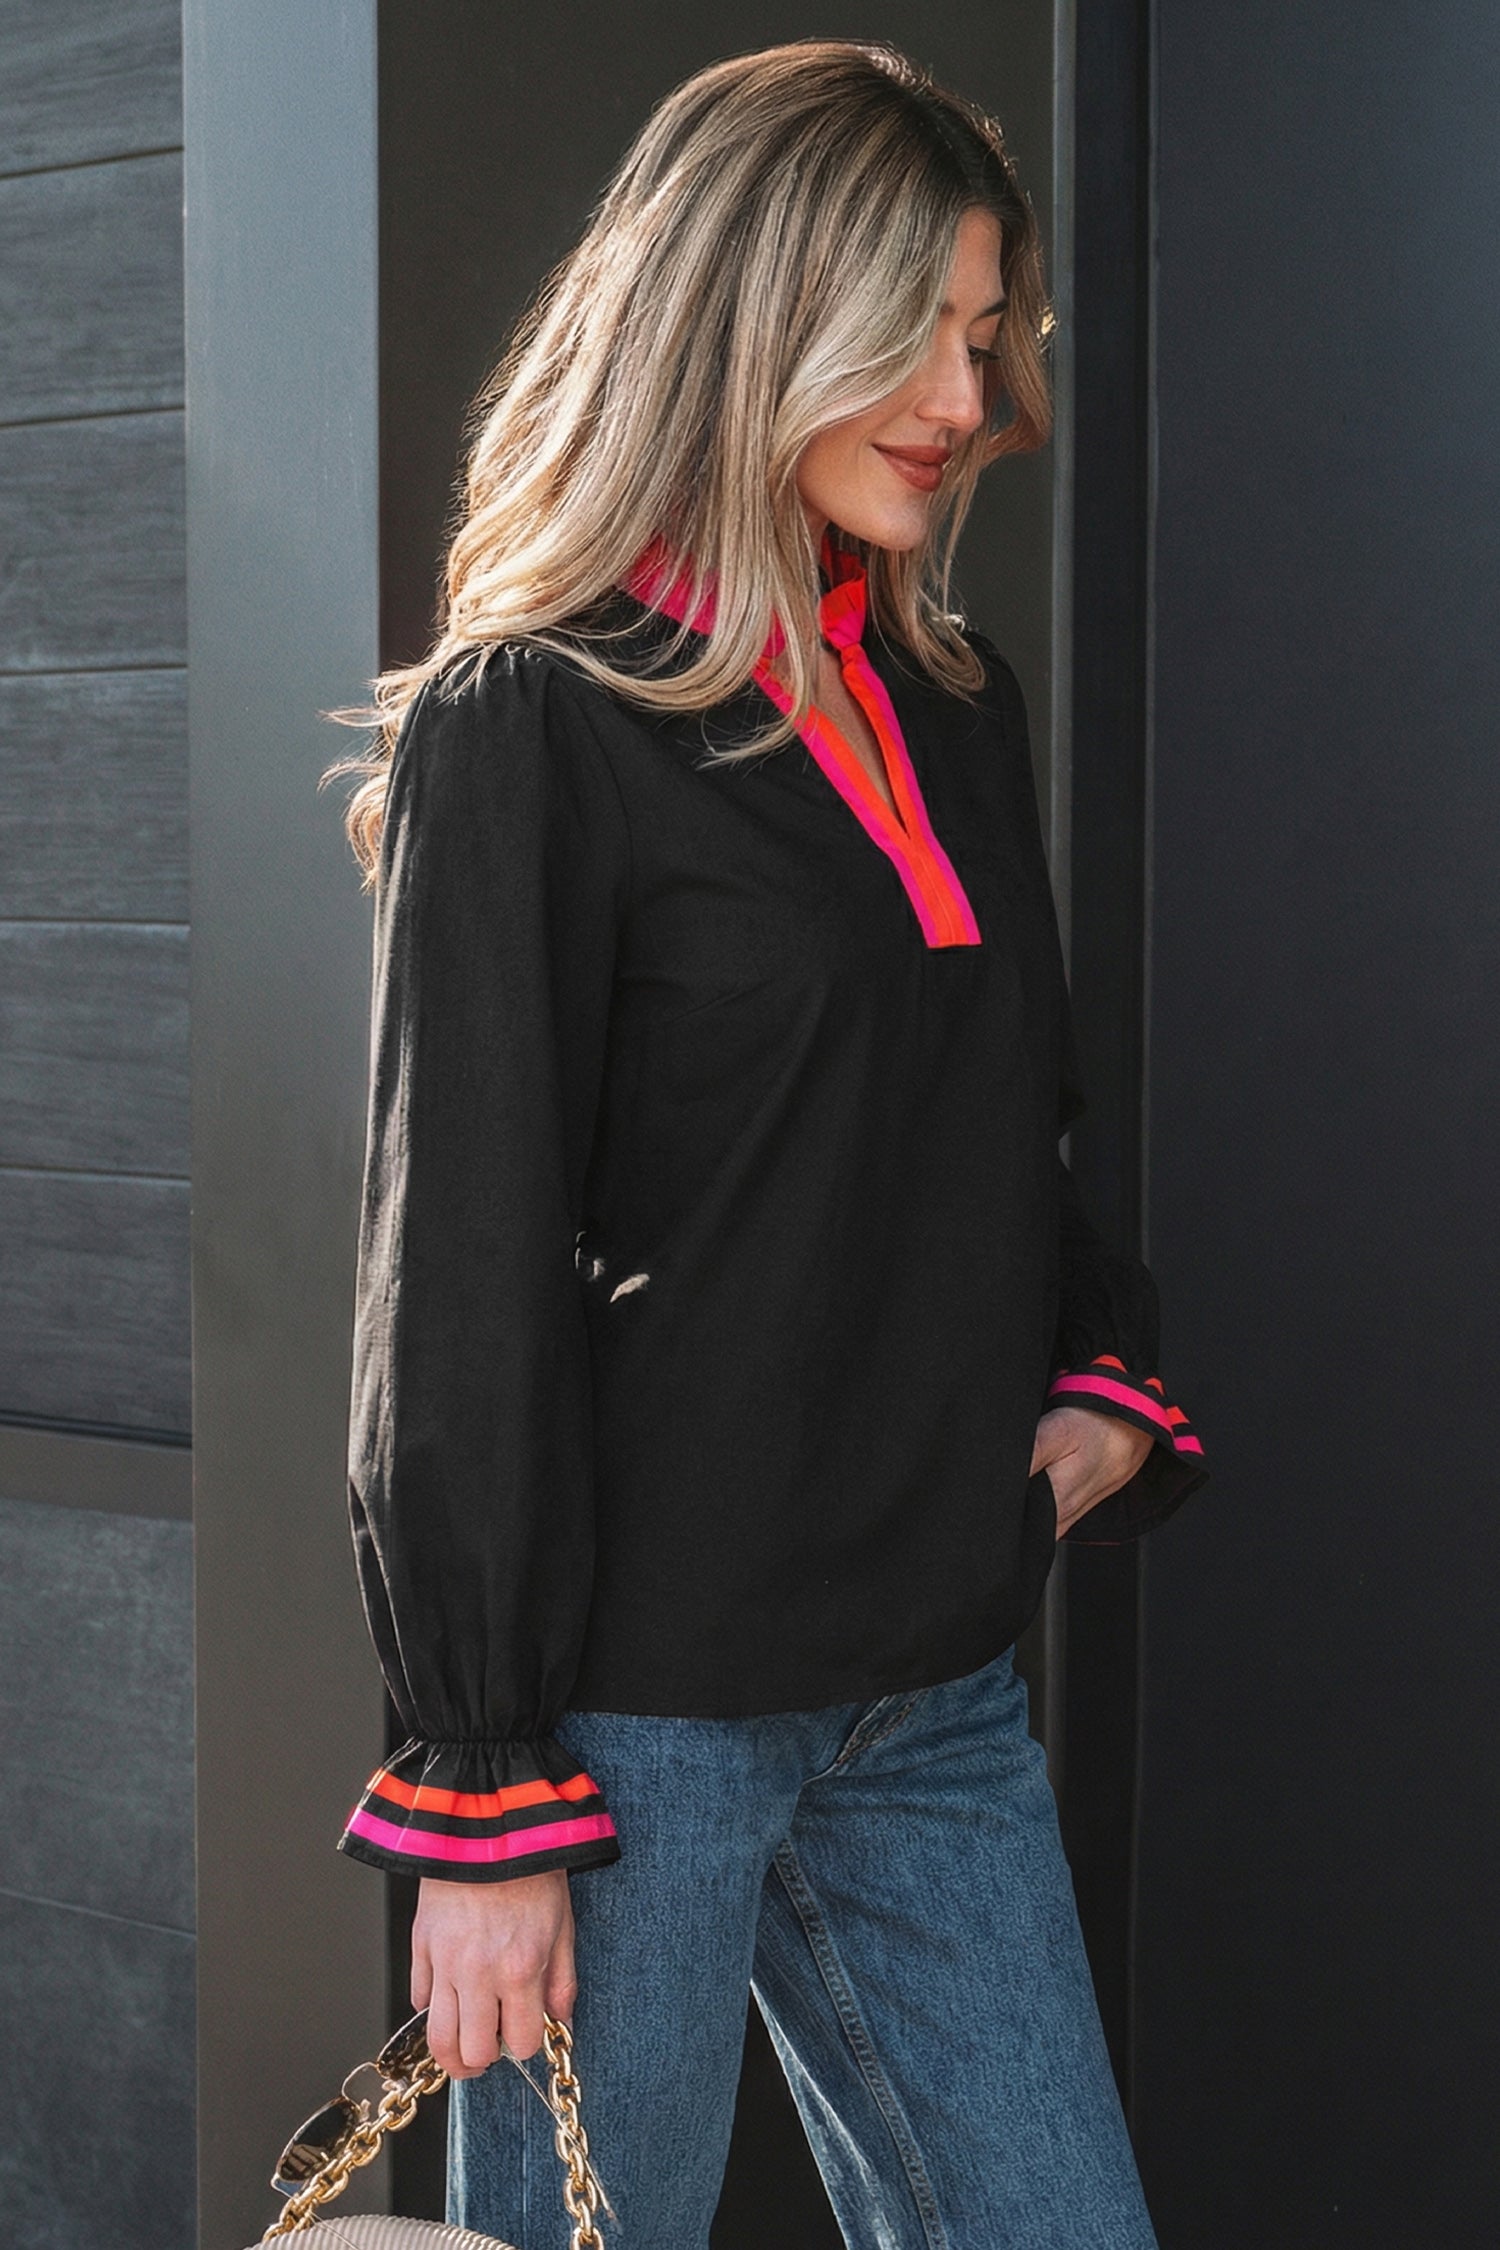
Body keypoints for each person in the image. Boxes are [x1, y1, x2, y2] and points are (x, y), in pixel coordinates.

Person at [324, 38, 1208, 2249]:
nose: (966, 396)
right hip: (635, 1728)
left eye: (986, 335)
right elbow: (460, 1283)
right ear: (759, 314)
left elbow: (1007, 1112)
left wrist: (1095, 1372)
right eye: (917, 331)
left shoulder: (954, 700)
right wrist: (483, 1787)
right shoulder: (536, 720)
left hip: (934, 1686)